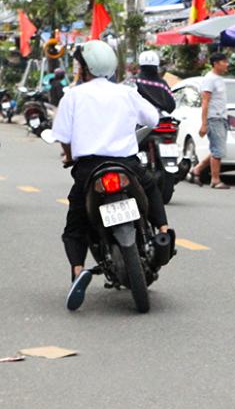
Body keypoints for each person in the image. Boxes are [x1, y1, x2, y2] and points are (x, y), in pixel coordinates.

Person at [51, 40, 172, 311]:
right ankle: (164, 232)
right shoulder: (126, 93)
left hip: (89, 169)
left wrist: (69, 155)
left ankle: (77, 271)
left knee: (76, 222)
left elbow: (63, 137)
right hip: (126, 165)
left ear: (85, 68)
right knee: (151, 186)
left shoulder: (73, 96)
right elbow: (152, 119)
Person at [189, 52, 230, 189]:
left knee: (218, 150)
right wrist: (204, 123)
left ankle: (197, 170)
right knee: (218, 151)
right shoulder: (210, 79)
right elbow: (205, 101)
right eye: (224, 62)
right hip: (214, 118)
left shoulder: (219, 79)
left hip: (222, 118)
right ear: (216, 63)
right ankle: (215, 179)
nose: (227, 64)